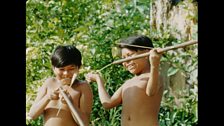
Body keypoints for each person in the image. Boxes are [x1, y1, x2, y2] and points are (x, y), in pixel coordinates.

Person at [85, 35, 164, 126]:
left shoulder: (155, 76)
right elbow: (108, 104)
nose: (126, 62)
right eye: (123, 58)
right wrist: (98, 80)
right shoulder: (128, 83)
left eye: (129, 56)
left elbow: (151, 91)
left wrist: (155, 64)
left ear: (146, 54)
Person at [28, 45, 93, 126]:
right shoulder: (49, 83)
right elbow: (32, 115)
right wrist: (48, 97)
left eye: (71, 69)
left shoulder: (82, 87)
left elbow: (84, 123)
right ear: (53, 68)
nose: (66, 73)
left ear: (79, 67)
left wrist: (70, 102)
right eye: (61, 69)